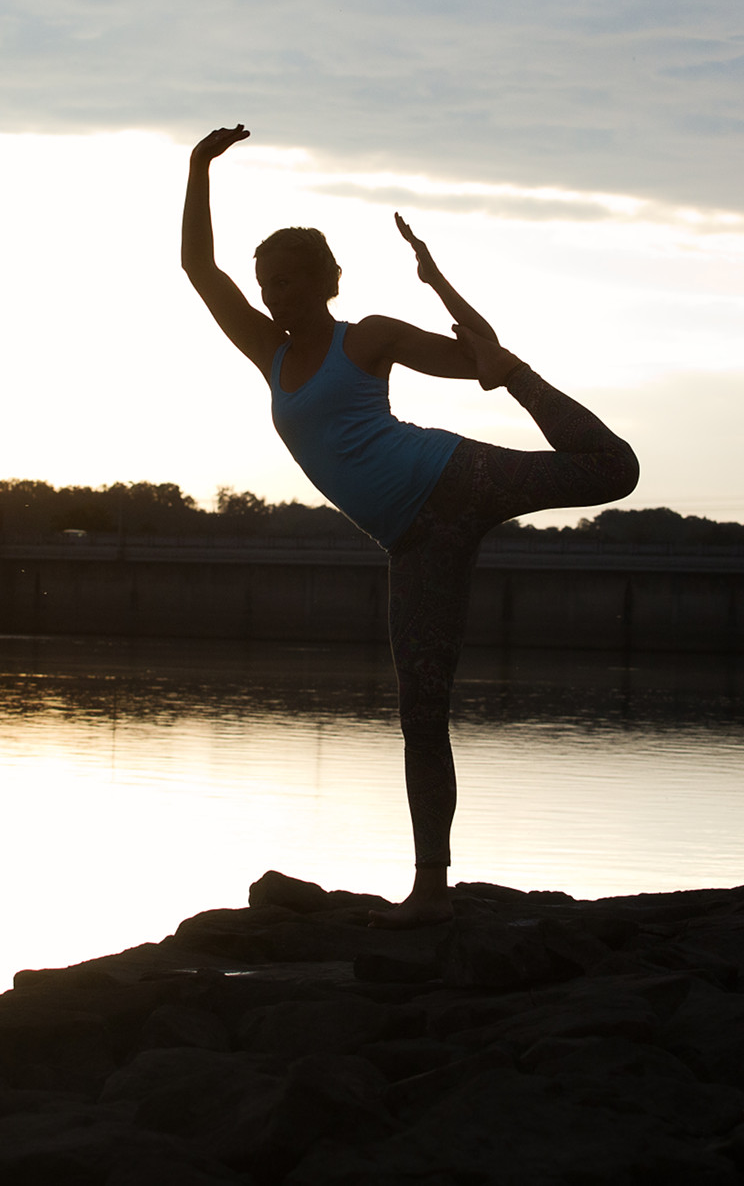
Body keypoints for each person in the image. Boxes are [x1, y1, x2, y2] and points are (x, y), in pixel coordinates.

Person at [181, 124, 639, 926]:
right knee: (421, 710)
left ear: (326, 281)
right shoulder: (269, 353)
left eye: (287, 283)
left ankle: (542, 387)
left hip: (453, 477)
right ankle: (431, 888)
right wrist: (198, 168)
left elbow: (476, 360)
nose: (271, 297)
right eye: (266, 284)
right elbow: (197, 268)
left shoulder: (370, 338)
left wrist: (460, 311)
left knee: (613, 468)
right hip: (413, 541)